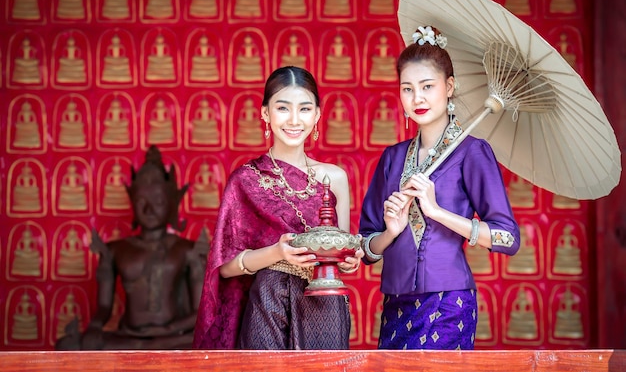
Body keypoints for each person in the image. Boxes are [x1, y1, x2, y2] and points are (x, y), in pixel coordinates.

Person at [359, 25, 520, 350]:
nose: (416, 98)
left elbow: (508, 238)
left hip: (449, 304)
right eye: (407, 88)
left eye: (427, 86)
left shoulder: (472, 152)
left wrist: (437, 212)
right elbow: (365, 248)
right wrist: (391, 232)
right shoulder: (392, 159)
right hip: (396, 303)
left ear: (449, 87)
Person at [193, 66, 363, 350]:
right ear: (265, 114)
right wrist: (276, 253)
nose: (294, 120)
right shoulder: (246, 179)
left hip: (325, 300)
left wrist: (349, 259)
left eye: (305, 109)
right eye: (283, 108)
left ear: (318, 115)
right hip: (268, 299)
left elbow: (340, 252)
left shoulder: (334, 177)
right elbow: (224, 268)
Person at [55, 145, 209, 350]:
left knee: (212, 341)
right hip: (128, 335)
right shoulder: (114, 250)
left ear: (172, 204)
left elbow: (201, 311)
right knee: (69, 345)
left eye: (158, 201)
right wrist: (94, 328)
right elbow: (104, 307)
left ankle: (148, 346)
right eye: (141, 201)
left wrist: (165, 330)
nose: (149, 209)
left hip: (174, 336)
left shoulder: (188, 250)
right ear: (132, 204)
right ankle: (143, 346)